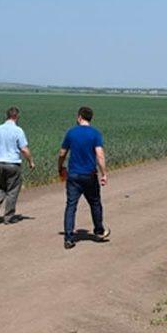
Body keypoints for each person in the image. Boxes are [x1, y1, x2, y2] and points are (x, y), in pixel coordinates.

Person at [58, 106, 110, 249]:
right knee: (95, 203)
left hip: (73, 175)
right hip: (89, 175)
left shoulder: (71, 132)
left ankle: (68, 238)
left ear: (79, 117)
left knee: (71, 206)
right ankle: (99, 231)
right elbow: (99, 155)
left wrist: (60, 168)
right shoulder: (95, 134)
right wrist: (104, 173)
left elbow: (62, 153)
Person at [0, 106, 36, 224]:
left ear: (7, 116)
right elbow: (24, 149)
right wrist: (31, 161)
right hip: (13, 164)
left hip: (0, 163)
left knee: (2, 187)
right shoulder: (18, 130)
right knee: (13, 190)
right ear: (16, 117)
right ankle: (8, 217)